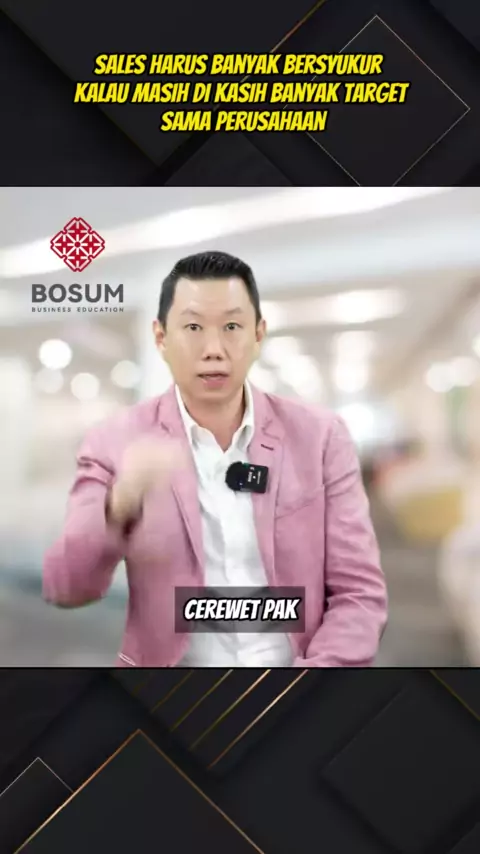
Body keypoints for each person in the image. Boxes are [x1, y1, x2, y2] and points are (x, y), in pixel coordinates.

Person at [43, 250, 388, 667]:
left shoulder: (320, 438)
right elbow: (65, 586)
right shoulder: (115, 441)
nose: (213, 349)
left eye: (232, 327)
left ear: (258, 335)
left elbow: (358, 594)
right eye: (192, 327)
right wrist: (120, 505)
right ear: (161, 338)